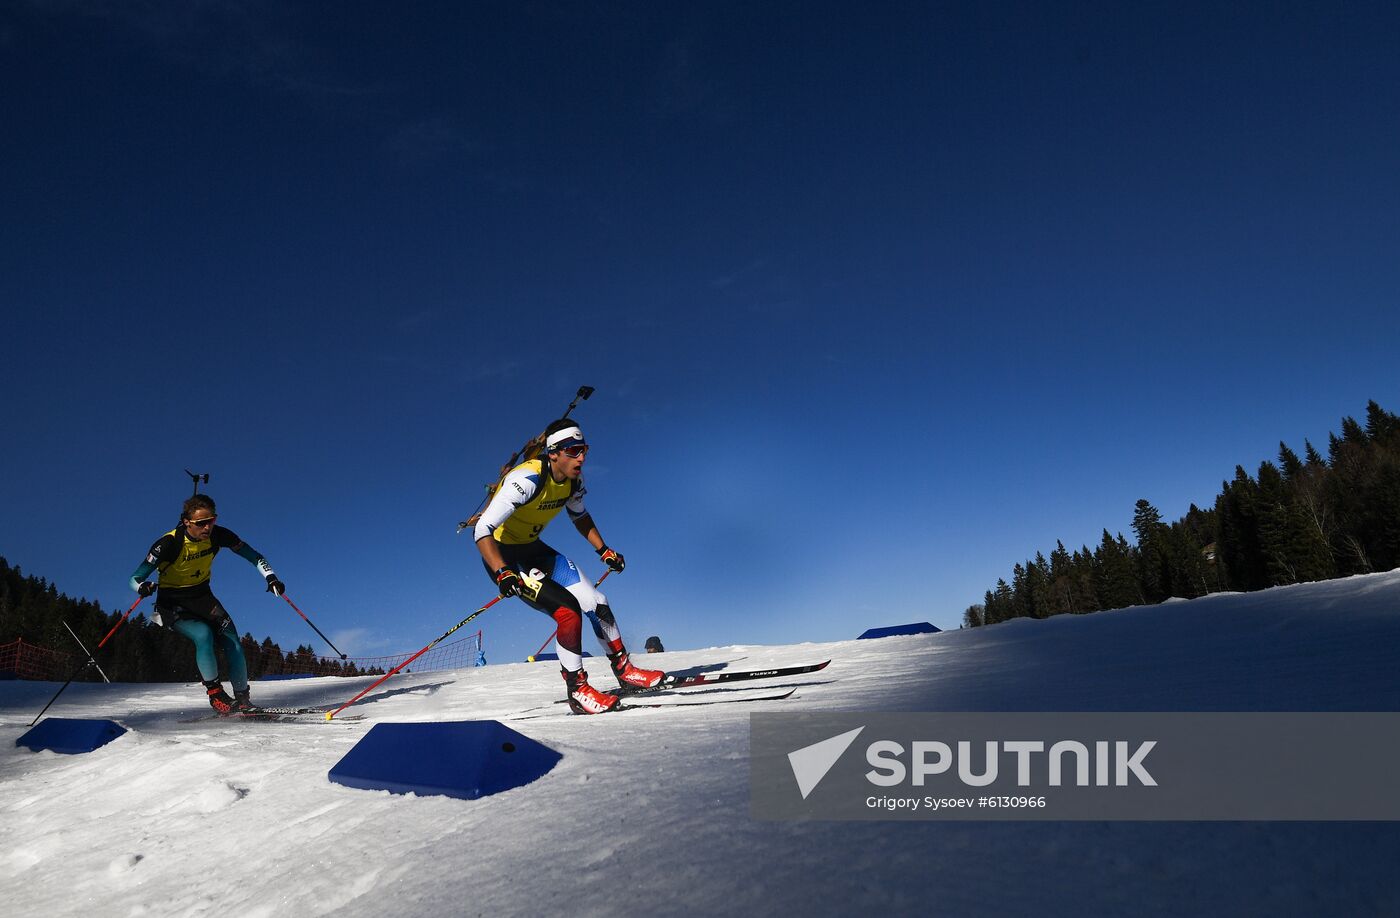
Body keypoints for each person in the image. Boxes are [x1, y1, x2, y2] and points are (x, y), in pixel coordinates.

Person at [474, 419, 662, 713]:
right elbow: (482, 530)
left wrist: (604, 550)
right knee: (567, 612)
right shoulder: (525, 481)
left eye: (584, 449)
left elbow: (580, 516)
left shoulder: (574, 481)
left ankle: (625, 671)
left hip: (535, 551)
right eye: (574, 451)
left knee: (597, 601)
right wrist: (502, 572)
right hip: (504, 557)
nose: (582, 458)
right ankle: (577, 690)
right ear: (553, 453)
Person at [128, 494, 285, 715]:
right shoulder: (169, 543)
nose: (207, 527)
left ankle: (243, 700)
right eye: (201, 523)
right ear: (186, 522)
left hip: (203, 597)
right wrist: (142, 587)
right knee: (203, 635)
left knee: (234, 644)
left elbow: (255, 556)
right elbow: (134, 578)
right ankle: (216, 696)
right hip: (172, 604)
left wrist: (271, 577)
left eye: (211, 521)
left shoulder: (218, 536)